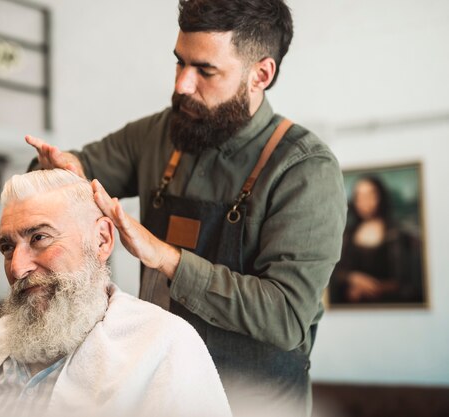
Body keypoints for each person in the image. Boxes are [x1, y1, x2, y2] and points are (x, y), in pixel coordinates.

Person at [27, 0, 347, 414]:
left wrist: (165, 257)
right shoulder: (159, 134)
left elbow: (285, 316)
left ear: (260, 75)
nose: (181, 84)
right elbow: (65, 167)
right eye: (179, 63)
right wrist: (59, 174)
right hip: (159, 394)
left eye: (204, 71)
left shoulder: (304, 169)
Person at [0, 170, 232, 417]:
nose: (17, 268)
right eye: (7, 248)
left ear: (102, 240)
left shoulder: (163, 345)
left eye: (39, 237)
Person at [329, 176, 424, 305]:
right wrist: (352, 278)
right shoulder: (347, 234)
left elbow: (407, 279)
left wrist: (373, 288)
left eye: (370, 195)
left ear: (381, 197)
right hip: (351, 309)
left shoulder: (397, 233)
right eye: (359, 196)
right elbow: (335, 271)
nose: (364, 202)